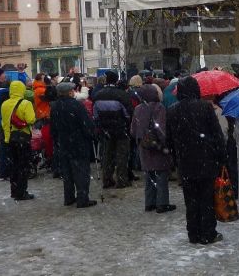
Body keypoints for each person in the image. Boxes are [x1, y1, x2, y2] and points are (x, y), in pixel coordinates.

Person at [167, 77, 226, 244]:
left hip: (186, 162)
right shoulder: (205, 108)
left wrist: (176, 156)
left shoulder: (172, 111)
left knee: (191, 200)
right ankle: (208, 232)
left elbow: (169, 139)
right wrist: (221, 157)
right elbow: (217, 135)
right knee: (207, 199)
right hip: (207, 161)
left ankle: (193, 232)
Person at [50, 82, 97, 208]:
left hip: (63, 142)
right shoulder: (76, 105)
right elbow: (85, 123)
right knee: (81, 171)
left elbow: (53, 127)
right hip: (78, 142)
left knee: (67, 172)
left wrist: (56, 140)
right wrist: (91, 134)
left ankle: (69, 197)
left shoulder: (55, 106)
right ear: (70, 92)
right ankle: (82, 199)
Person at [131, 84, 175, 214]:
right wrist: (164, 144)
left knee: (149, 176)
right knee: (161, 175)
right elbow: (160, 129)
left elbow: (133, 130)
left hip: (144, 146)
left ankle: (149, 203)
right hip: (157, 147)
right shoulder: (159, 107)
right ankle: (162, 204)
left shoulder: (138, 108)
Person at [93, 71, 133, 189]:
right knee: (122, 155)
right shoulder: (121, 95)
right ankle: (121, 180)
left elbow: (95, 114)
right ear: (116, 80)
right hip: (121, 129)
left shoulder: (98, 95)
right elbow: (128, 114)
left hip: (105, 130)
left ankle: (107, 179)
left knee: (107, 155)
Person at [1, 80, 36, 200]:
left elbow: (4, 122)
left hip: (9, 138)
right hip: (22, 138)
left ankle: (14, 191)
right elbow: (31, 119)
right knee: (23, 166)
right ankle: (22, 192)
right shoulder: (26, 103)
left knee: (14, 165)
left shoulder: (5, 104)